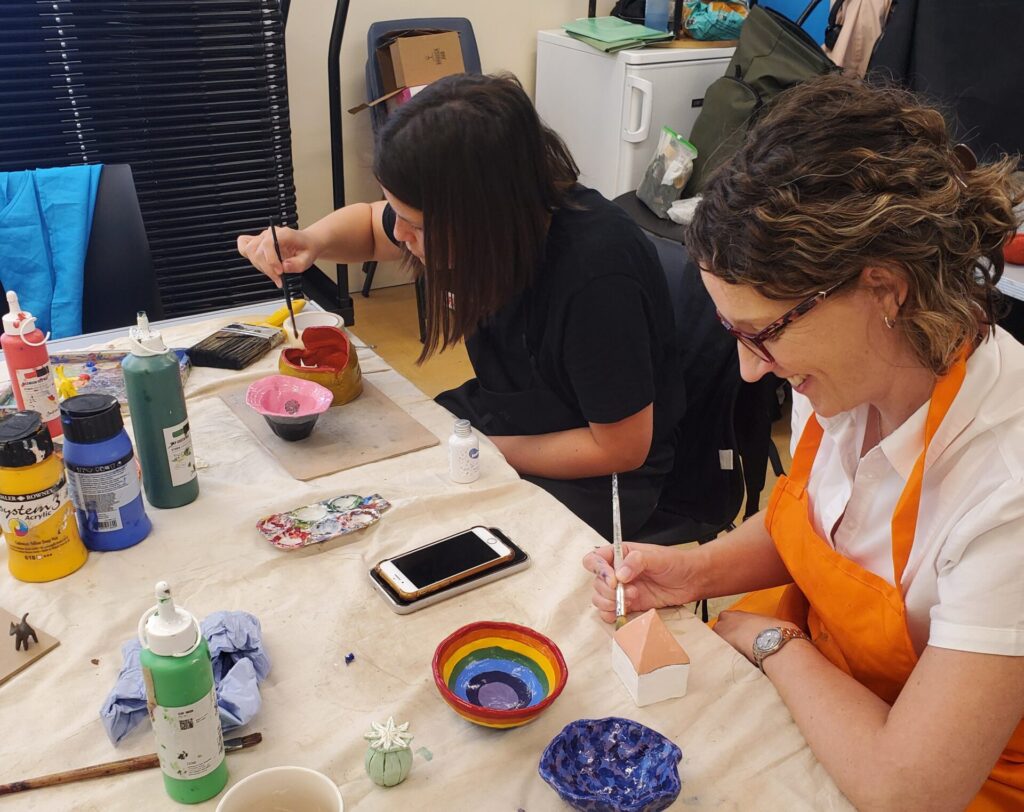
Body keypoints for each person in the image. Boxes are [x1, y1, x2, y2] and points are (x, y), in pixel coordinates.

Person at [584, 73, 1024, 810]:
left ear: (884, 289)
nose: (748, 370)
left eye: (762, 335)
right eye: (733, 333)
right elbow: (818, 523)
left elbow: (907, 789)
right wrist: (694, 572)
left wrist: (773, 643)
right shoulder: (857, 369)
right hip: (832, 707)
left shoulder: (1006, 489)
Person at [237, 73, 678, 539]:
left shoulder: (596, 277)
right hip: (512, 413)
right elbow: (370, 225)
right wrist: (311, 241)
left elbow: (620, 449)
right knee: (357, 471)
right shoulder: (495, 220)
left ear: (482, 216)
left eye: (414, 224)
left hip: (596, 472)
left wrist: (474, 449)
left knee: (415, 534)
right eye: (397, 213)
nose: (400, 234)